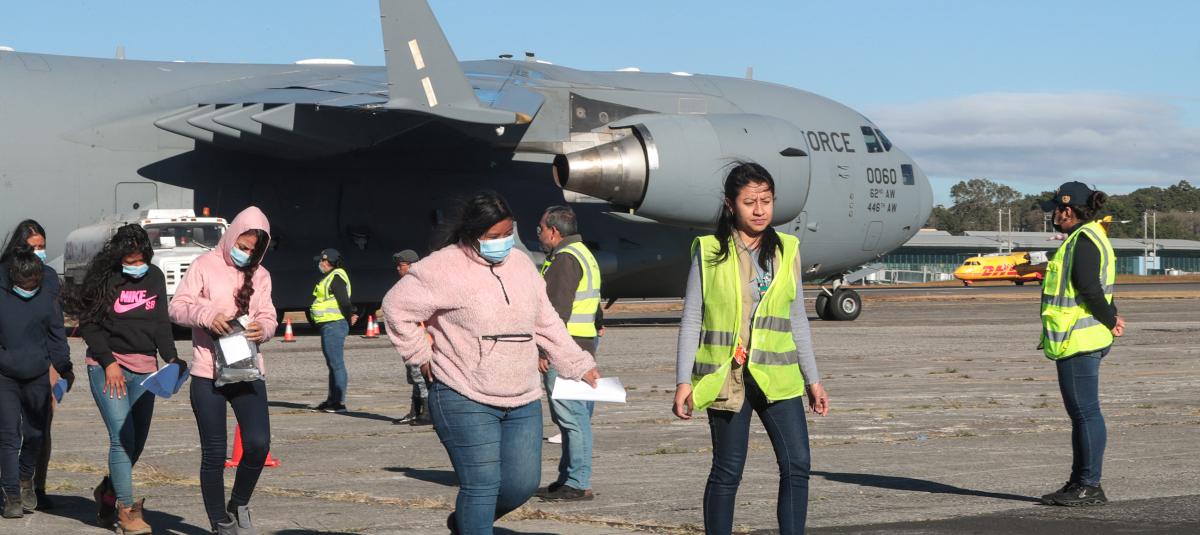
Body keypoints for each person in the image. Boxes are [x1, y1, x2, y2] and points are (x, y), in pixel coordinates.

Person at [381, 190, 601, 534]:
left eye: (507, 235)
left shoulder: (522, 266)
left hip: (522, 396)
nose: (502, 243)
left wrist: (576, 361)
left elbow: (546, 321)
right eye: (493, 237)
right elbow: (396, 307)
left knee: (521, 485)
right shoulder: (442, 266)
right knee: (481, 485)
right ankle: (475, 521)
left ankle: (467, 523)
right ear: (472, 232)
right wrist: (420, 356)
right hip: (462, 393)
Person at [673, 162, 829, 535]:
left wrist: (814, 379)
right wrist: (683, 381)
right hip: (727, 377)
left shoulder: (787, 250)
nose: (759, 210)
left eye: (766, 200)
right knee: (727, 472)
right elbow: (691, 317)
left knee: (797, 465)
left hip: (779, 377)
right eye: (749, 202)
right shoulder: (709, 251)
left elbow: (797, 319)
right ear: (731, 205)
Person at [63, 224, 182, 533]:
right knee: (122, 438)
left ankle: (108, 492)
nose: (134, 266)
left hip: (146, 369)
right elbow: (89, 325)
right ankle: (127, 512)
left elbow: (160, 323)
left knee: (136, 444)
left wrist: (171, 360)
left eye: (139, 259)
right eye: (128, 261)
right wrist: (109, 363)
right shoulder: (104, 278)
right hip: (108, 367)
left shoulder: (154, 276)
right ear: (118, 257)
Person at [169, 207, 277, 534]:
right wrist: (206, 314)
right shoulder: (204, 266)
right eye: (242, 246)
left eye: (252, 251)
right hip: (207, 373)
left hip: (246, 371)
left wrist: (265, 329)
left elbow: (269, 315)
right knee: (214, 454)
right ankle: (220, 522)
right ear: (231, 236)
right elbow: (177, 307)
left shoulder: (261, 275)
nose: (245, 254)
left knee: (258, 443)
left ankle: (239, 502)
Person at [1036, 181, 1123, 507]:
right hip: (1084, 337)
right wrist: (1112, 314)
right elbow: (1099, 288)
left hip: (1078, 340)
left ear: (1068, 210)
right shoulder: (1090, 236)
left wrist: (1110, 319)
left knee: (1086, 413)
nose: (1053, 215)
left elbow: (1088, 288)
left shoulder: (1082, 241)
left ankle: (1088, 485)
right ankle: (1079, 482)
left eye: (1055, 209)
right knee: (1083, 414)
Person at [533, 206, 602, 502]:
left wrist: (545, 349)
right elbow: (593, 302)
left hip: (566, 349)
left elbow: (555, 312)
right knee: (575, 416)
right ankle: (568, 477)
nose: (538, 234)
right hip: (583, 344)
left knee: (571, 417)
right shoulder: (584, 253)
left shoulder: (564, 259)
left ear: (554, 231)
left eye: (540, 229)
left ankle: (577, 480)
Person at [0, 247, 73, 520]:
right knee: (8, 437)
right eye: (23, 284)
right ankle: (11, 495)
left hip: (37, 374)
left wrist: (65, 367)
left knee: (35, 434)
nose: (28, 288)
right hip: (4, 376)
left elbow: (57, 335)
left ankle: (24, 476)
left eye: (34, 284)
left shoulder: (46, 298)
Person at [308, 248, 357, 413]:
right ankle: (332, 399)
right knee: (332, 364)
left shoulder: (336, 277)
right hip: (329, 325)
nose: (320, 264)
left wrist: (350, 317)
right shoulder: (330, 277)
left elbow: (344, 301)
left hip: (334, 325)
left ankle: (339, 402)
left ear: (330, 262)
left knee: (336, 364)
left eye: (323, 261)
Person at [390, 250, 432, 426]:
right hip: (410, 338)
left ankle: (428, 413)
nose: (398, 269)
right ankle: (415, 411)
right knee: (414, 377)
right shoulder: (407, 286)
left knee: (422, 377)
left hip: (421, 338)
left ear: (411, 265)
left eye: (401, 265)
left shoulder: (419, 285)